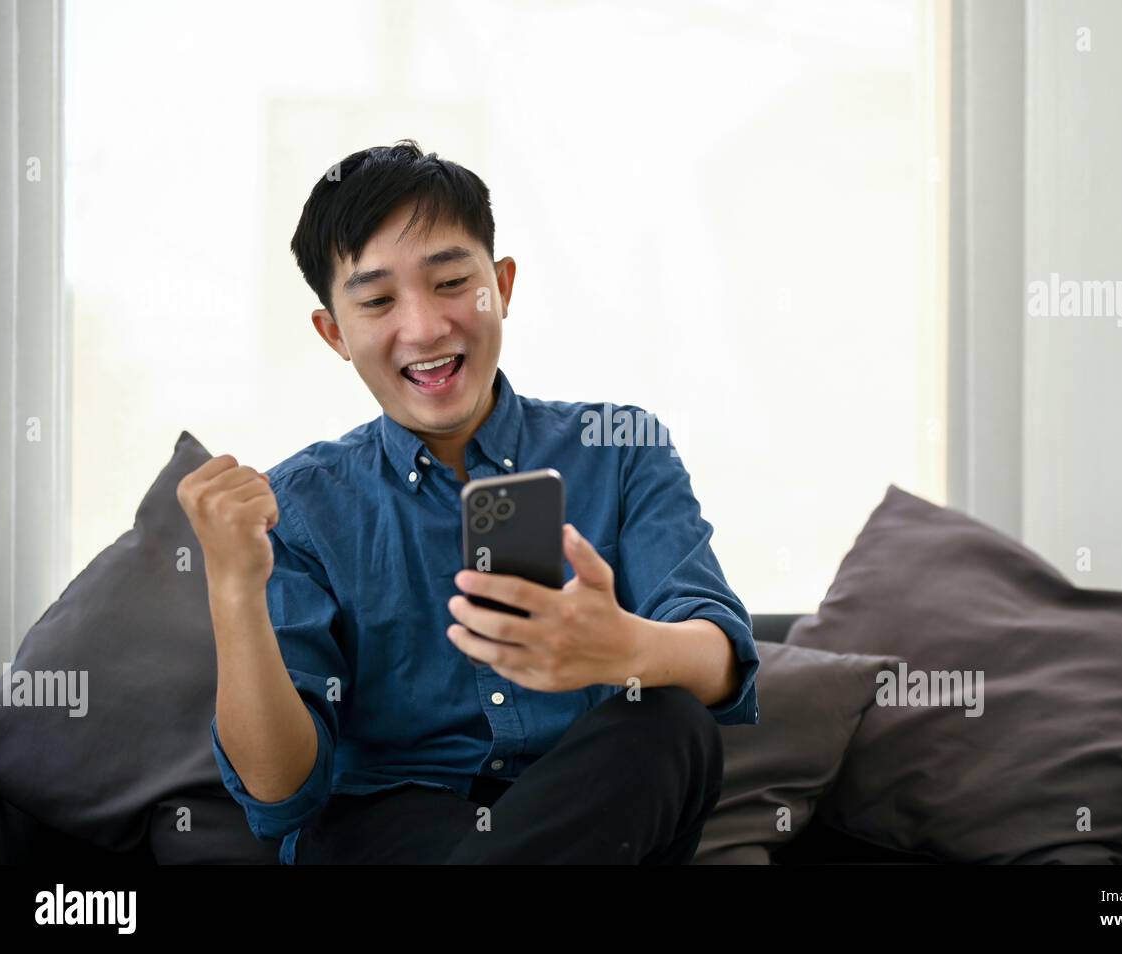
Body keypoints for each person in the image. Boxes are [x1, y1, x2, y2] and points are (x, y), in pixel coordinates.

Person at [175, 140, 760, 865]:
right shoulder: (297, 508)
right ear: (334, 333)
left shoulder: (622, 448)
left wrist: (626, 647)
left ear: (502, 286)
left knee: (672, 719)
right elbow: (278, 792)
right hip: (390, 825)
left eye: (452, 281)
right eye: (379, 300)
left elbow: (722, 667)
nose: (424, 328)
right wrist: (234, 590)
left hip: (589, 809)